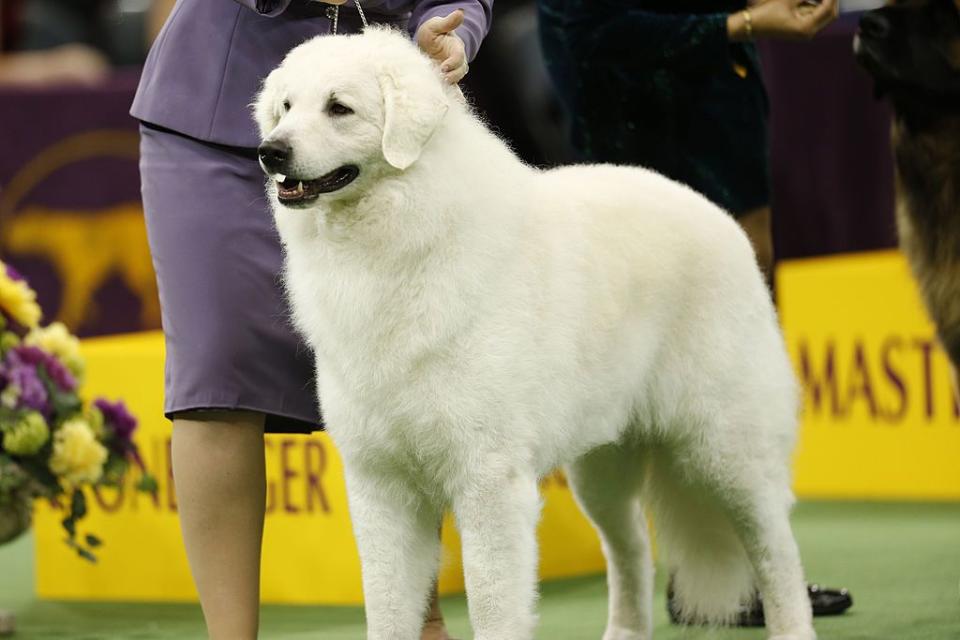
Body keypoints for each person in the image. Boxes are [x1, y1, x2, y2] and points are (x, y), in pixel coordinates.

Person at [131, 1, 492, 638]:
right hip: (216, 113)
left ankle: (418, 621)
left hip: (378, 117)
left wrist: (456, 28)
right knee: (215, 375)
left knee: (402, 377)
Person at [537, 0, 853, 625]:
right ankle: (646, 603)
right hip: (635, 128)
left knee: (732, 410)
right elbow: (592, 32)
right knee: (614, 433)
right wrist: (745, 23)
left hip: (720, 100)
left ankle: (760, 588)